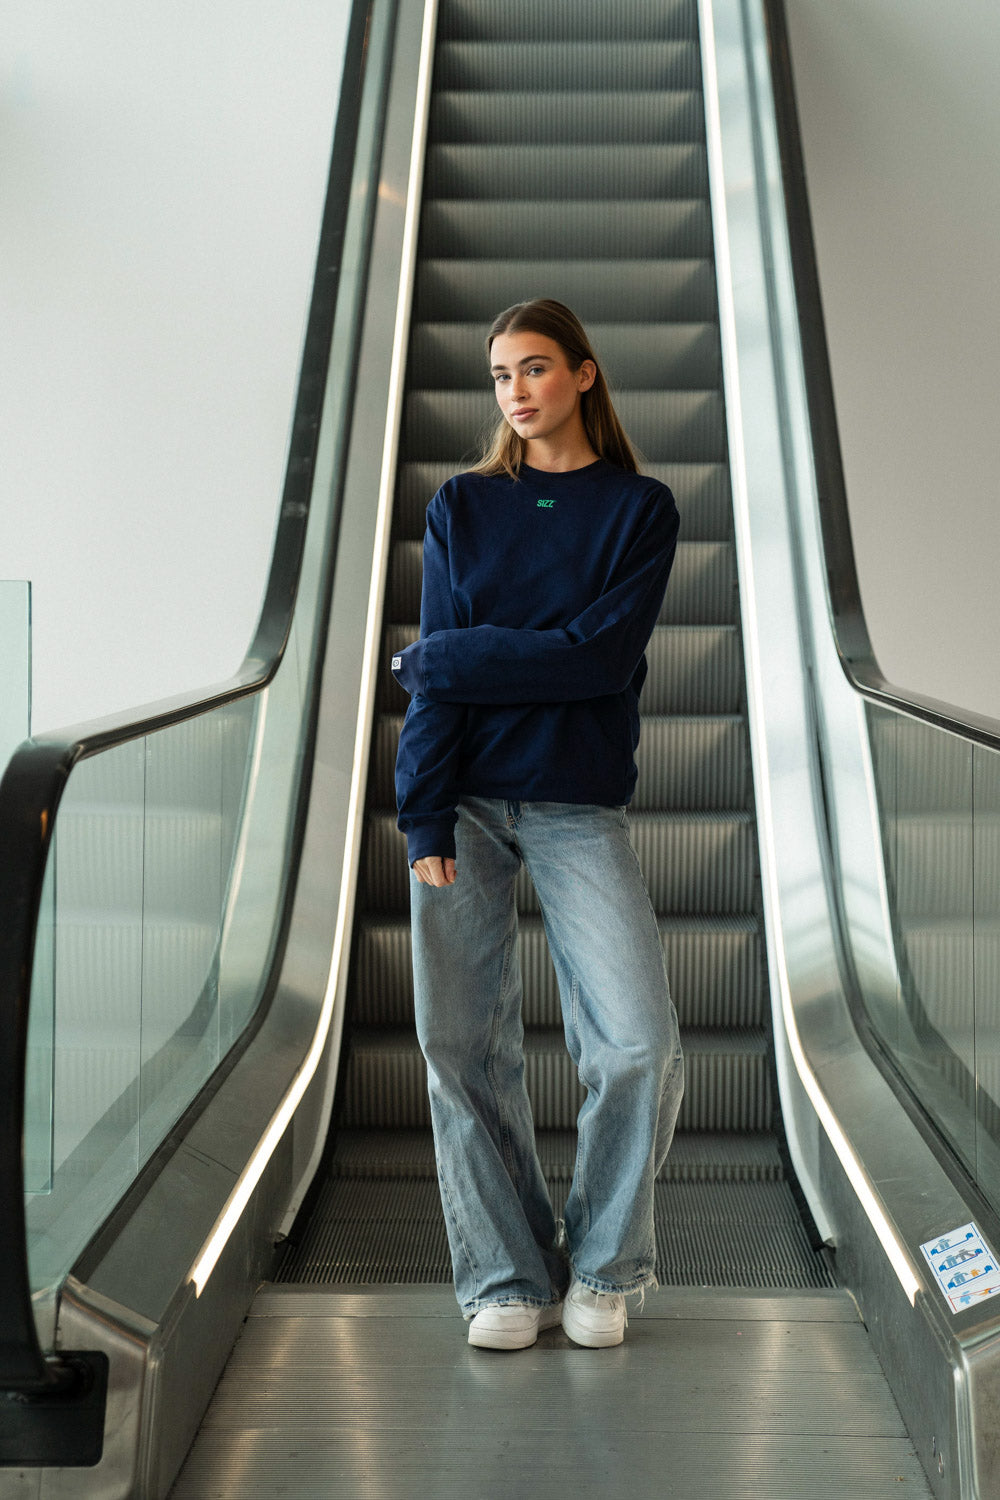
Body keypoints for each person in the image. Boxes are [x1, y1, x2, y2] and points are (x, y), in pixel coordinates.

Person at [392, 298, 684, 1351]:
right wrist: (419, 813)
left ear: (584, 377)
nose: (514, 391)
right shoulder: (463, 507)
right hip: (459, 804)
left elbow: (596, 661)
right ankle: (508, 1279)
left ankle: (604, 1265)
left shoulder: (638, 510)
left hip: (574, 802)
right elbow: (445, 689)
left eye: (535, 369)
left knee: (639, 1043)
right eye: (500, 374)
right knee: (459, 1047)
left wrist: (448, 657)